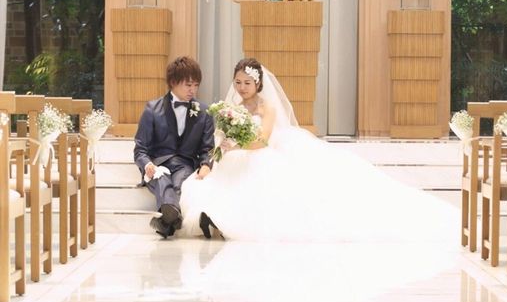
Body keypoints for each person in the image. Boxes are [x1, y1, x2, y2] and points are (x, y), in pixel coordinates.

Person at [179, 57, 458, 244]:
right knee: (213, 178)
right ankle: (213, 218)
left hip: (260, 152)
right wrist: (222, 149)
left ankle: (226, 220)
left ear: (258, 84)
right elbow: (225, 136)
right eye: (238, 82)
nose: (241, 88)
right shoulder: (234, 108)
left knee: (260, 173)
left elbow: (262, 141)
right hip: (238, 154)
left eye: (247, 83)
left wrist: (237, 145)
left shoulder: (266, 107)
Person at [134, 56, 214, 238]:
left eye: (196, 85)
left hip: (184, 164)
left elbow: (207, 148)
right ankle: (169, 218)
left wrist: (206, 164)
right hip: (157, 164)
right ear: (173, 82)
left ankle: (167, 221)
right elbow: (140, 149)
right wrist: (147, 165)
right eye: (188, 85)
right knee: (162, 178)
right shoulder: (152, 109)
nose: (193, 90)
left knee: (180, 180)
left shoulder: (204, 112)